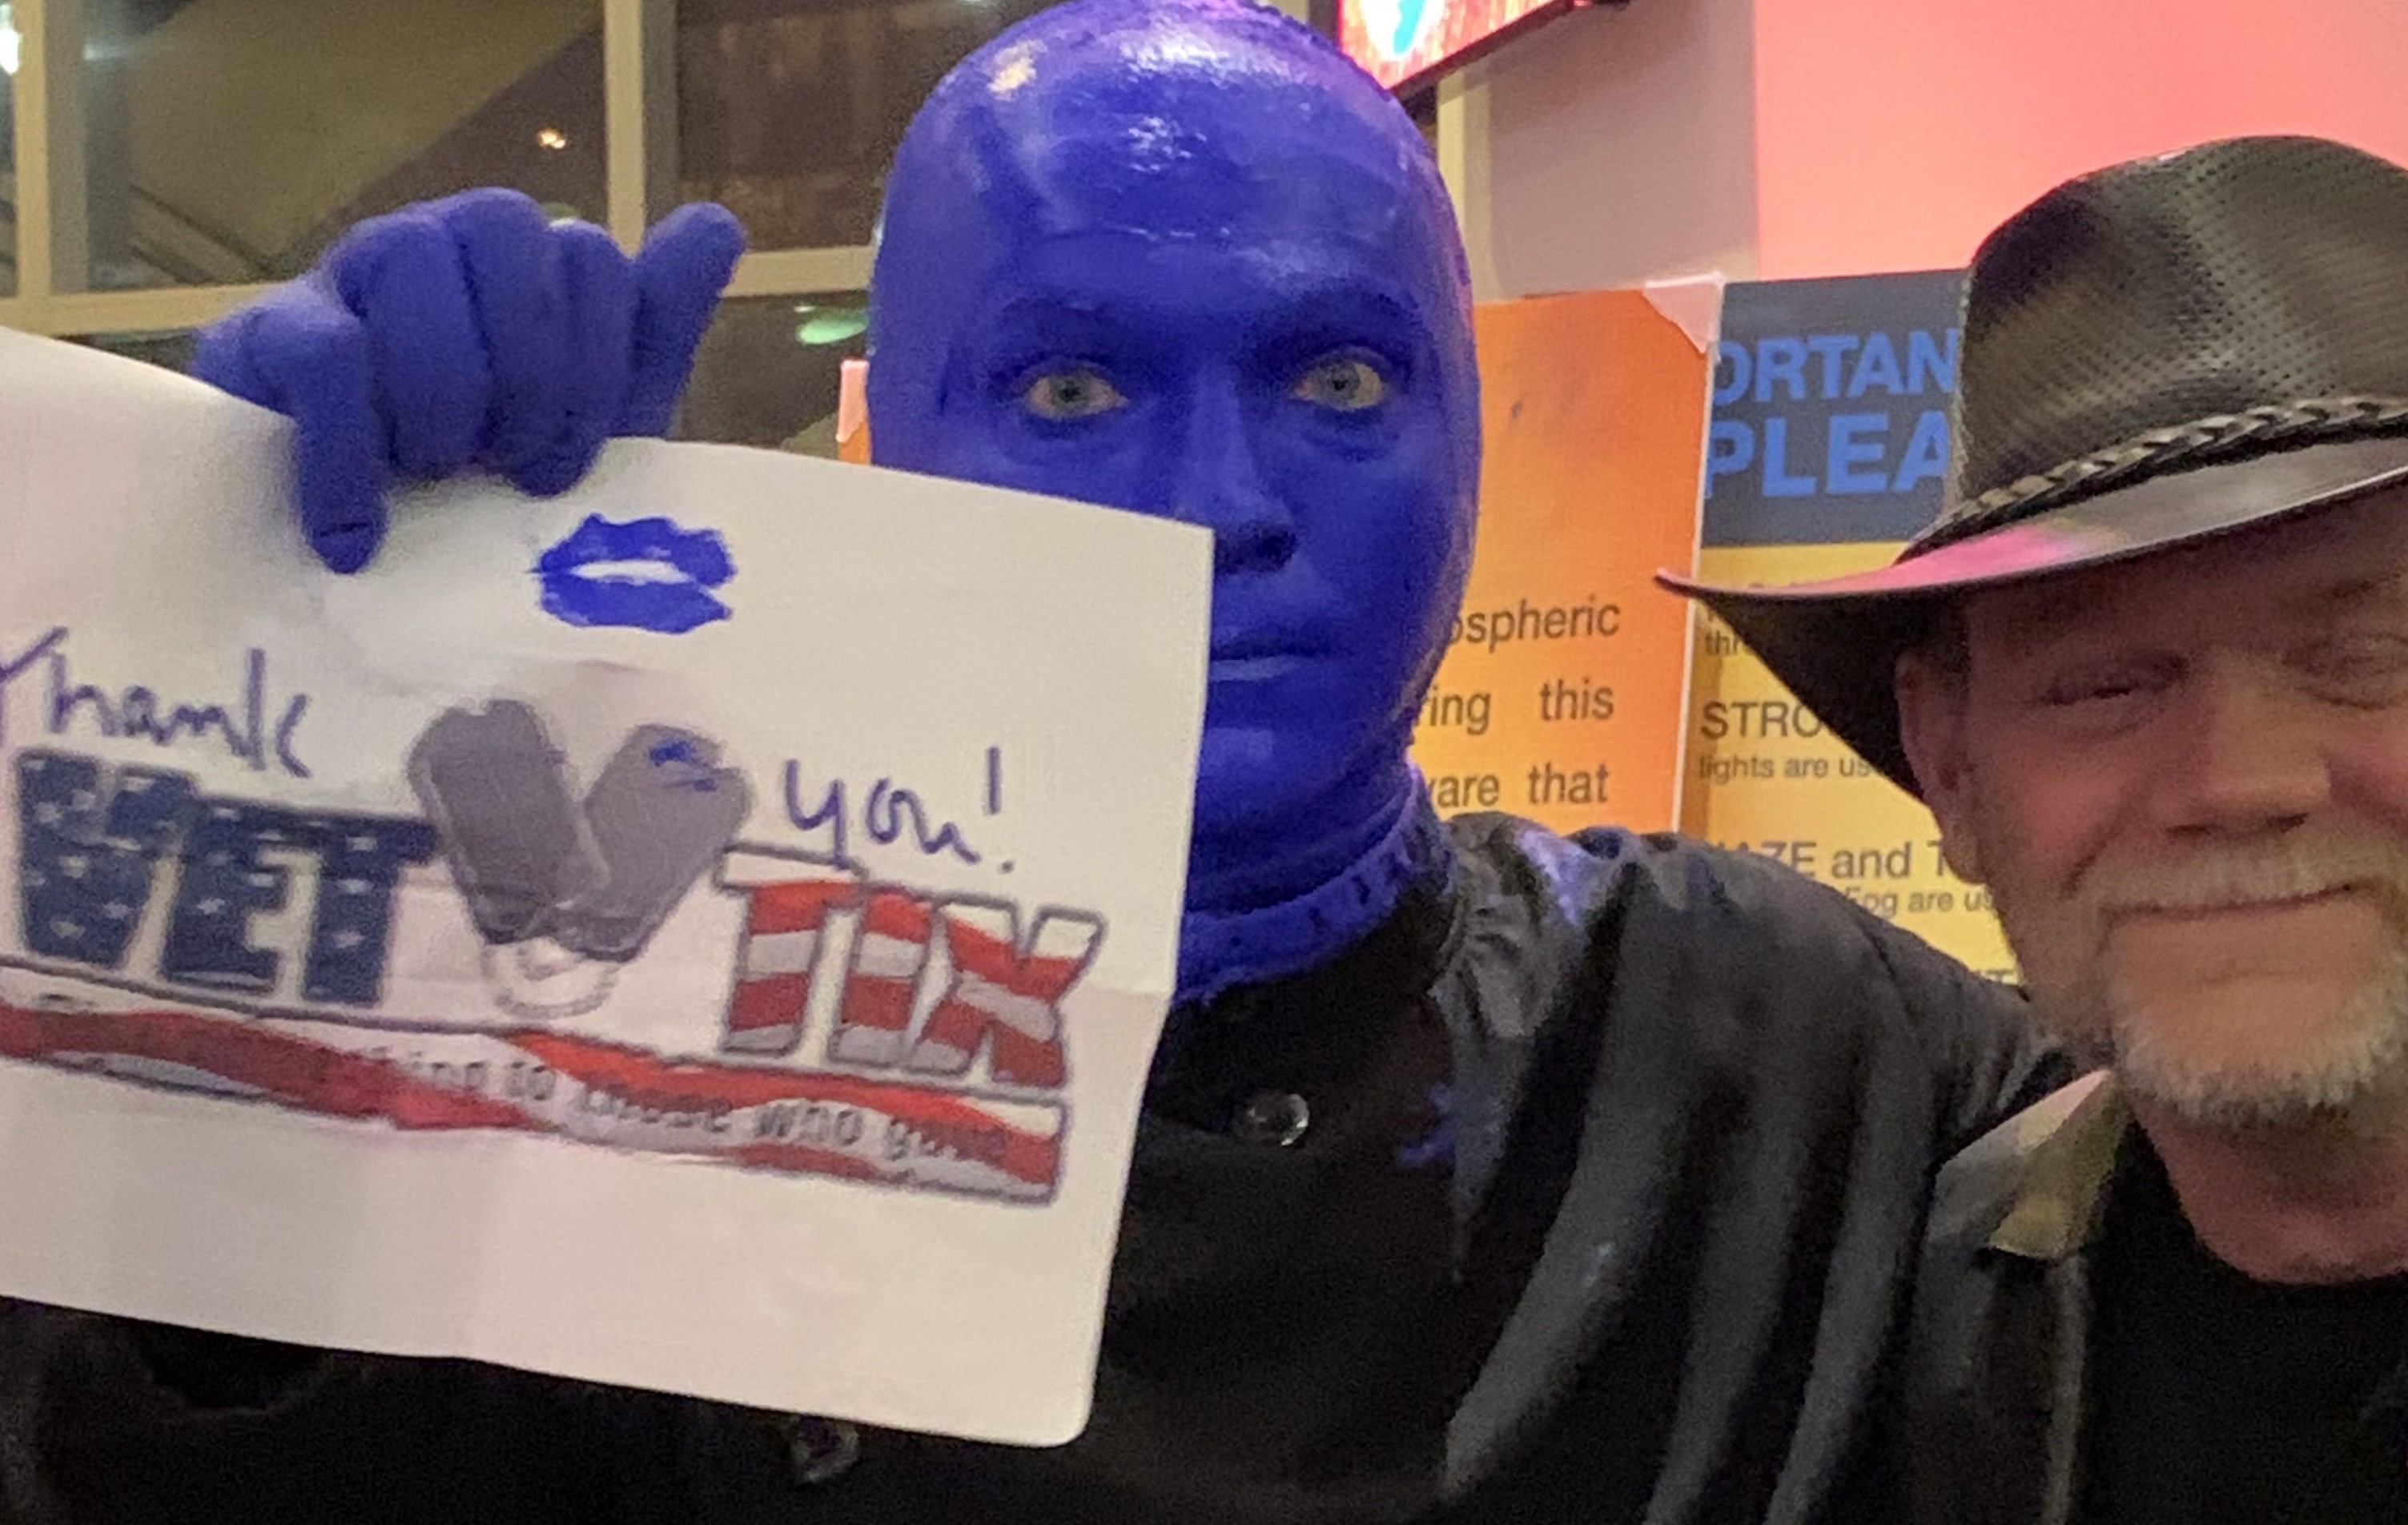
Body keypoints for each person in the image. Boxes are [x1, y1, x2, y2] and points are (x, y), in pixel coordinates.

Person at [0, 2, 2065, 1522]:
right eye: (1072, 388)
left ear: (1476, 432)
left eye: (1342, 378)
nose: (1219, 504)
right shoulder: (596, 1048)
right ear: (888, 446)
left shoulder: (1782, 1058)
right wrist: (276, 762)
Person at [1670, 135, 2408, 1525]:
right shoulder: (1931, 1317)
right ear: (1951, 768)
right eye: (2104, 683)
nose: (2234, 779)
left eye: (2367, 653)